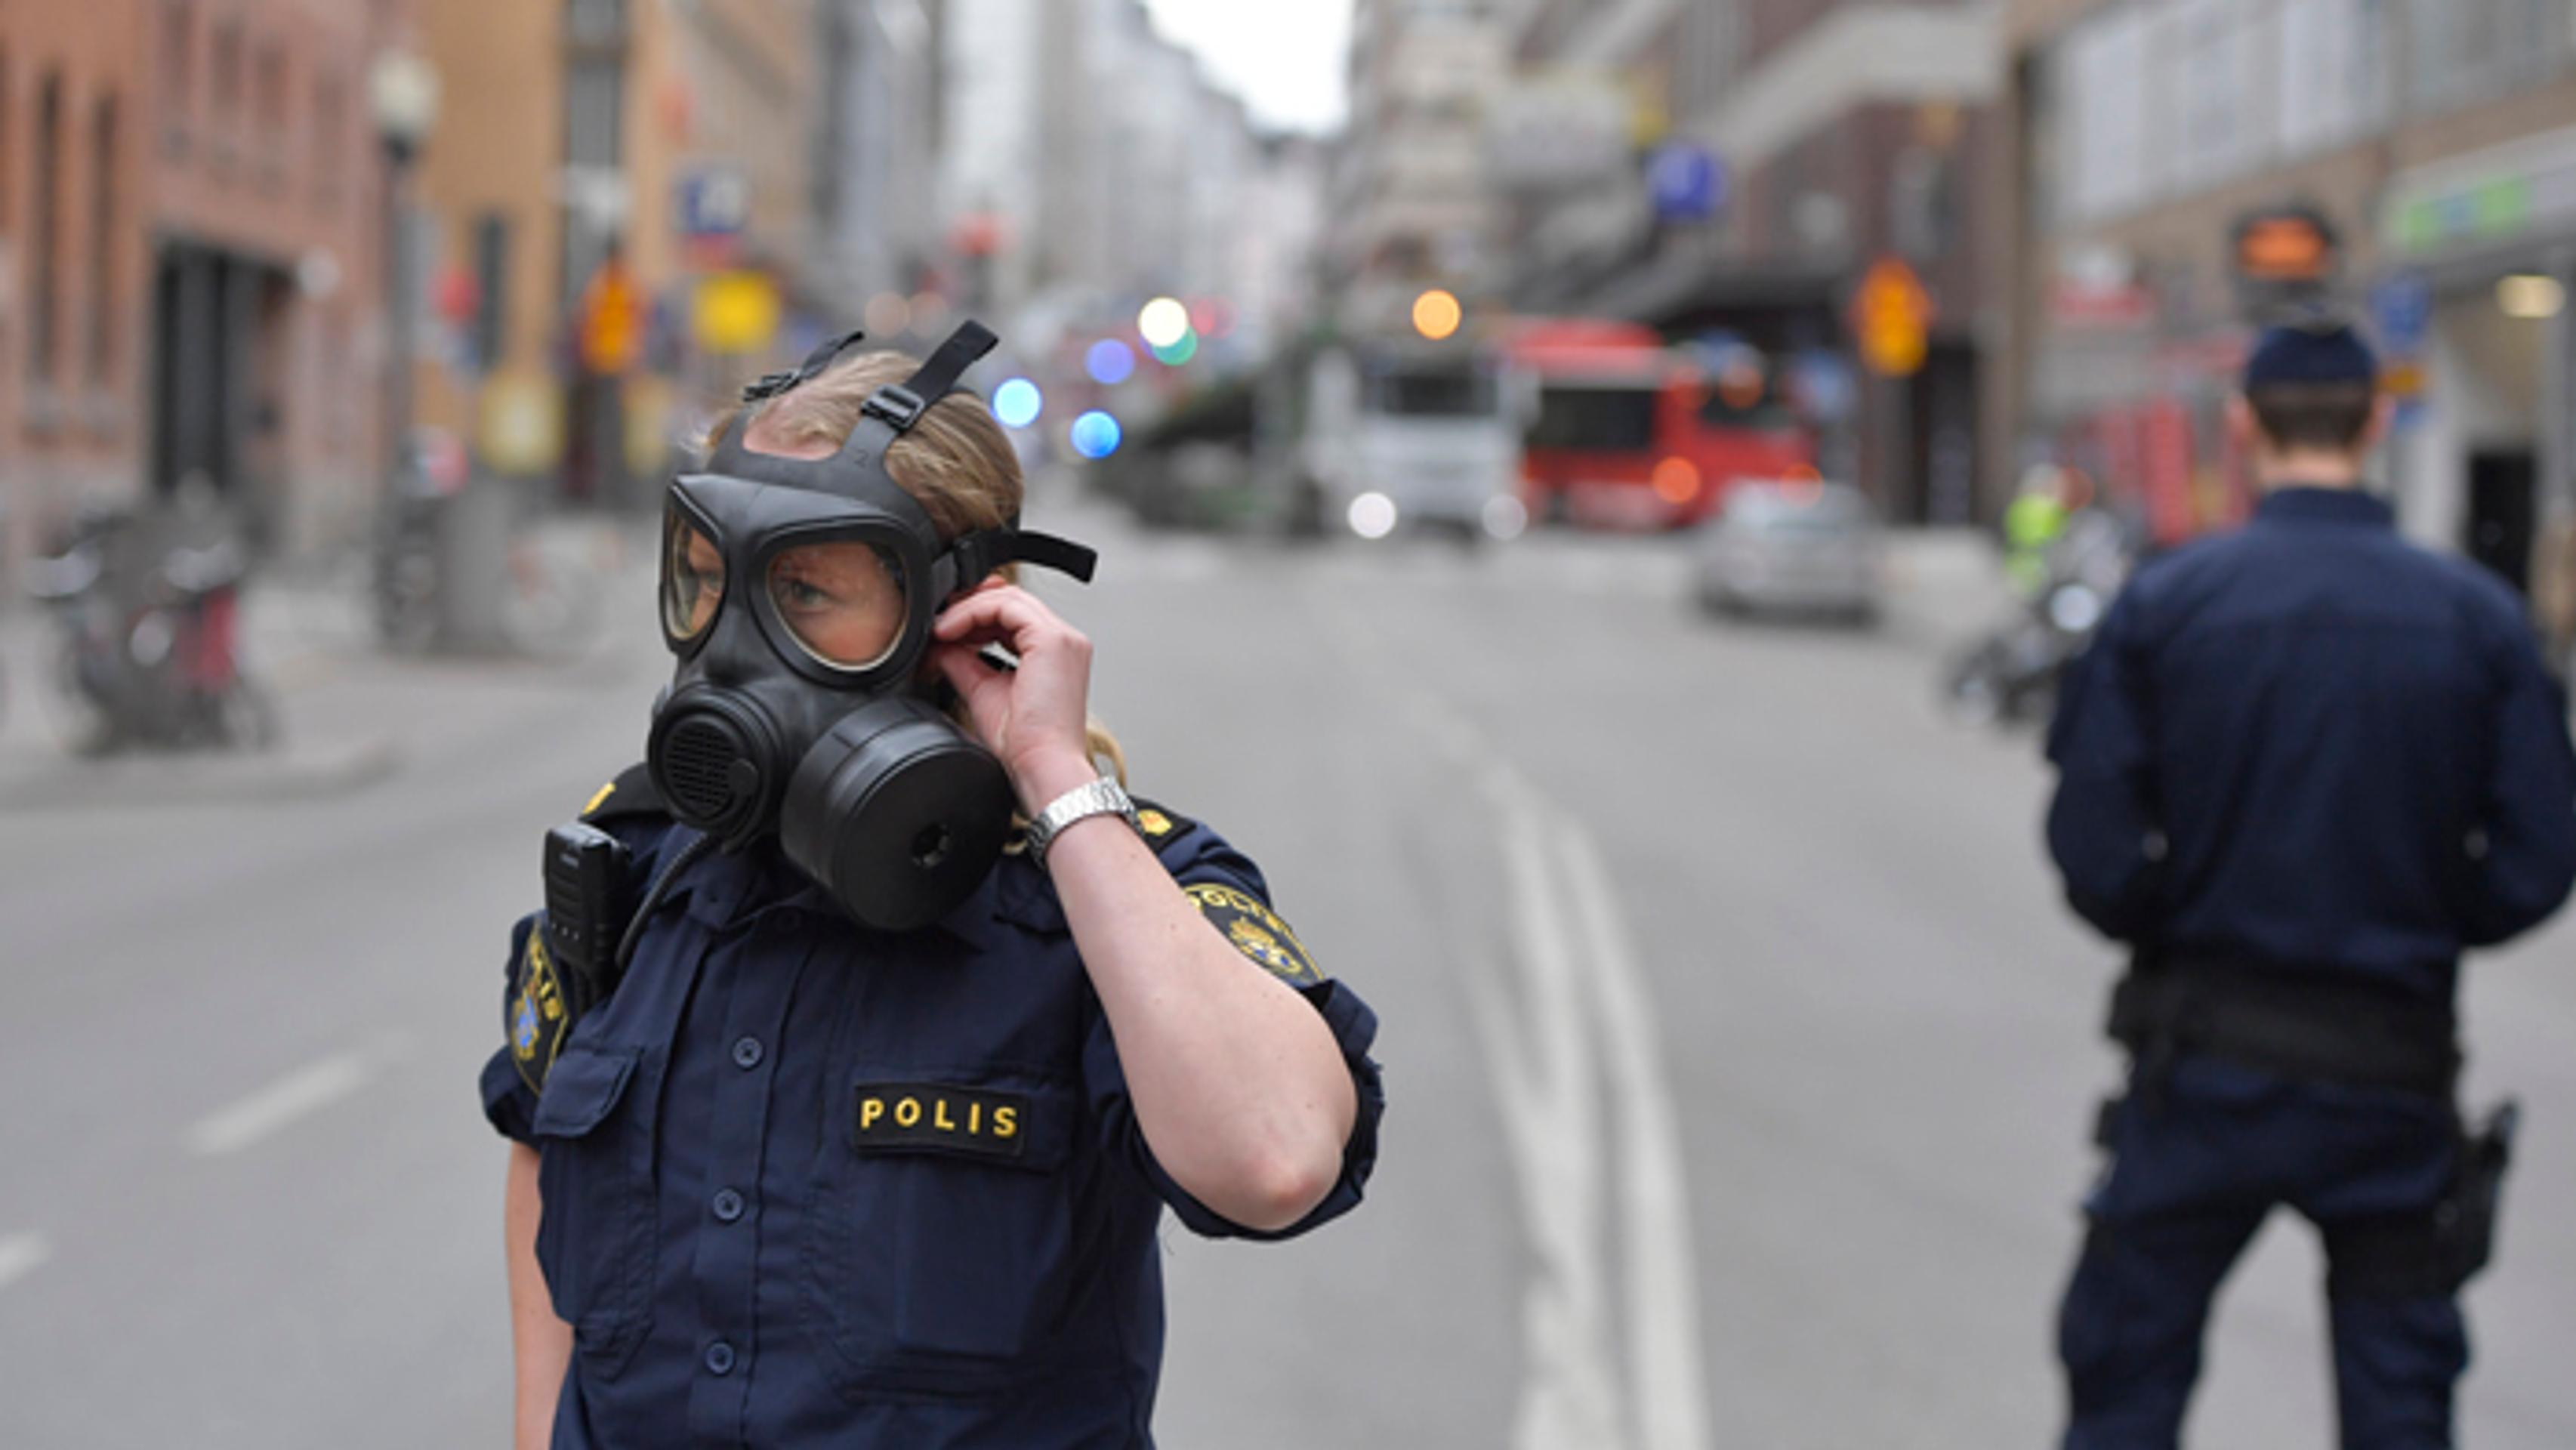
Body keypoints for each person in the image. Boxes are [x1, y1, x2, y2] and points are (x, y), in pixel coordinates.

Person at [480, 324, 1386, 1449]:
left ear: (962, 608)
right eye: (710, 583)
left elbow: (1273, 1159)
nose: (731, 644)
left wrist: (1053, 778)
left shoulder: (1105, 900)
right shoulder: (637, 872)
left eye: (806, 590)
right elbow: (539, 1150)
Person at [2044, 317, 2576, 1450]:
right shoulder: (2477, 620)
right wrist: (2430, 913)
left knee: (2125, 1390)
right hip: (2392, 1071)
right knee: (2399, 1407)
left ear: (2244, 426)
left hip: (2201, 1071)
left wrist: (2173, 915)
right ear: (2376, 423)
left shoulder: (2167, 605)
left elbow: (2092, 851)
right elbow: (2540, 859)